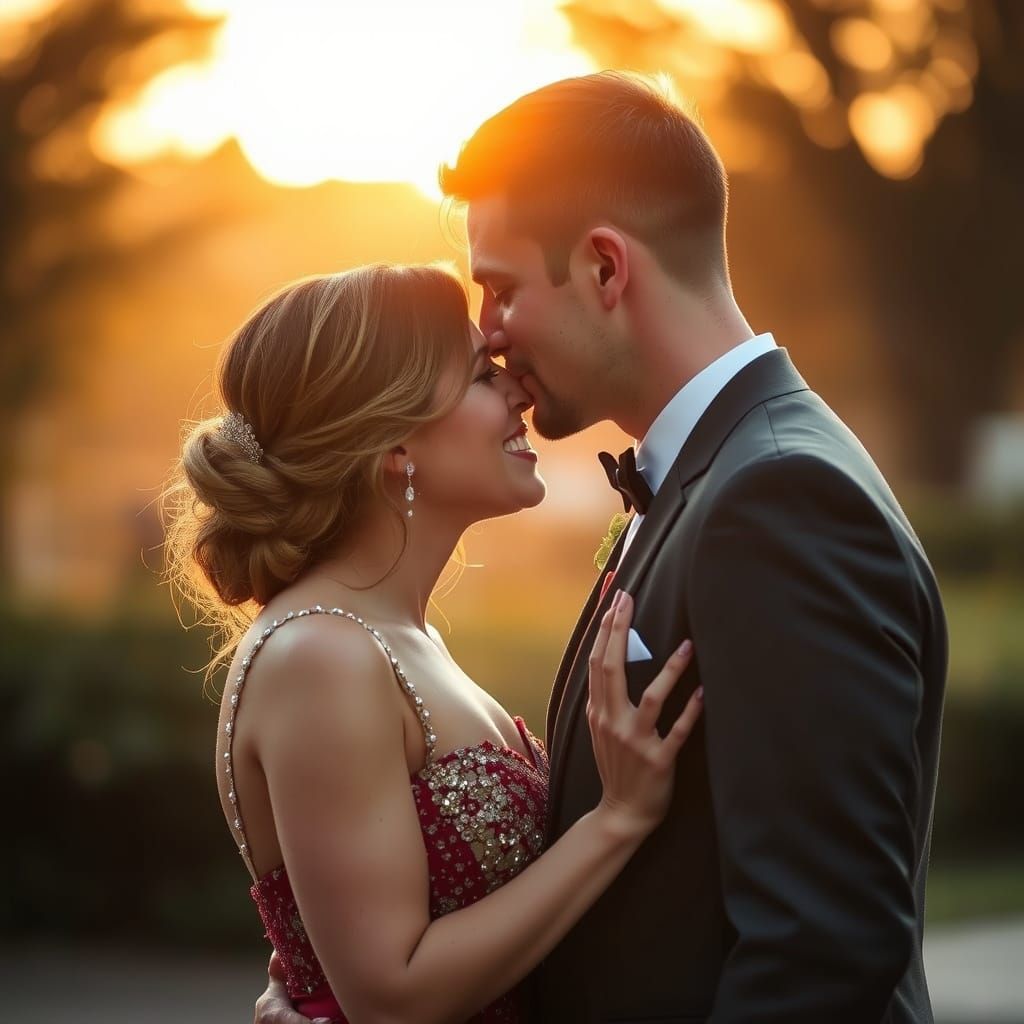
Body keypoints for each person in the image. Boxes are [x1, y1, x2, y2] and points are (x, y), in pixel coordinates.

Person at [254, 70, 948, 1023]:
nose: (491, 336)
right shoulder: (715, 478)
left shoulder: (780, 498)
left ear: (606, 268)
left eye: (500, 289)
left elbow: (821, 957)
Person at [162, 263, 704, 1024]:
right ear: (393, 442)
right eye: (482, 375)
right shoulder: (321, 656)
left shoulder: (398, 637)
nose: (519, 391)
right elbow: (392, 995)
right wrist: (616, 820)